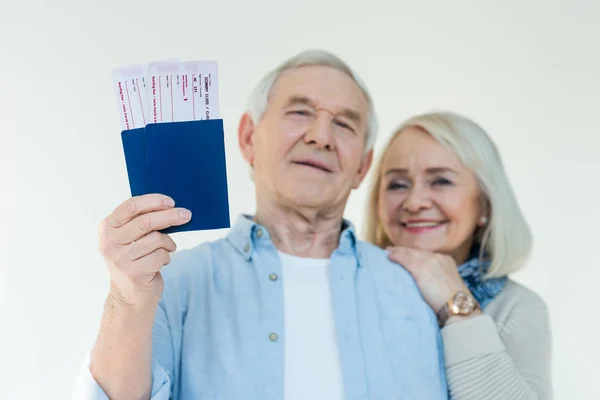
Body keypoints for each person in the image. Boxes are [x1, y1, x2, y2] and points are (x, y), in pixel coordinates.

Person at [73, 50, 448, 399]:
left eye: (345, 124)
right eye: (300, 112)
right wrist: (126, 297)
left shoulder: (419, 290)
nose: (320, 136)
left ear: (362, 167)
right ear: (248, 138)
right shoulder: (173, 283)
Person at [363, 111, 553, 399]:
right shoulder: (352, 287)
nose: (414, 203)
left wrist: (454, 302)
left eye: (440, 181)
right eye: (398, 184)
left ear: (486, 204)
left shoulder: (515, 308)